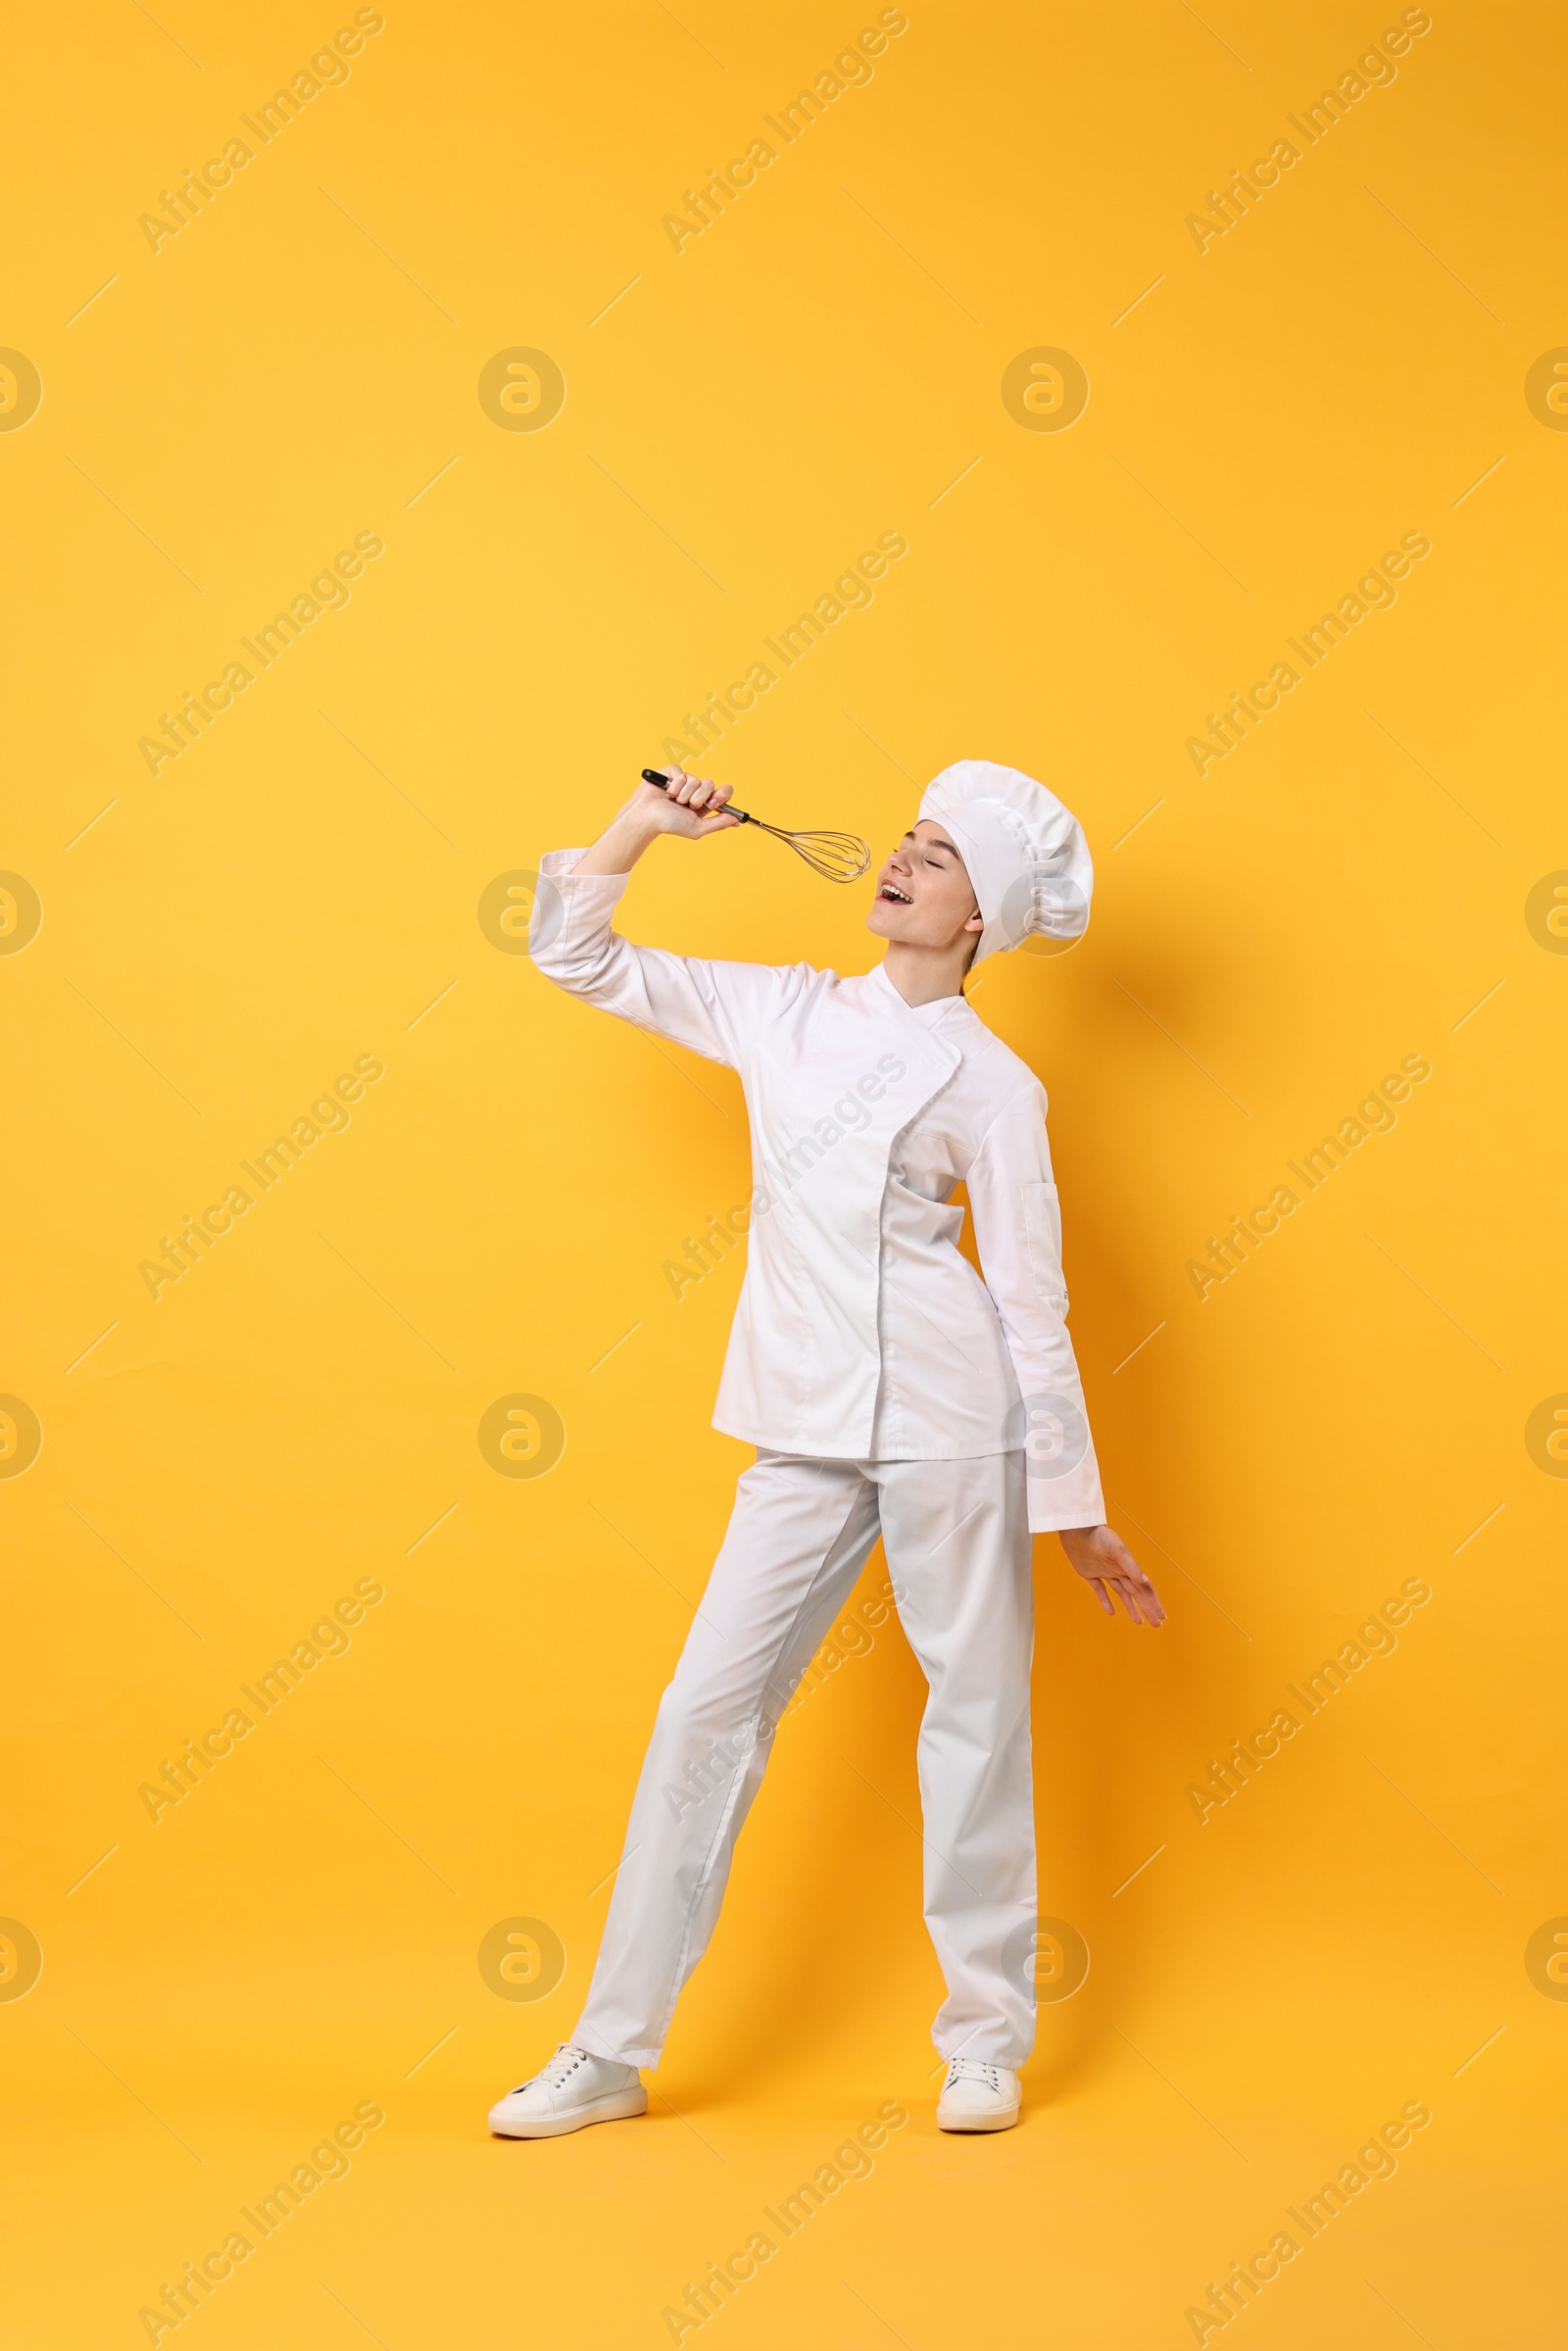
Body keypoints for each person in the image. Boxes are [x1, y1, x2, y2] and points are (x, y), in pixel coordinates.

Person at [489, 758, 1164, 2142]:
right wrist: (642, 829)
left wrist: (1073, 1502)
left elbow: (1033, 1302)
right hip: (799, 1429)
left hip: (952, 1423)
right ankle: (610, 2051)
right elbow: (571, 948)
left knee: (974, 1723)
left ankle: (985, 2043)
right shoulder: (782, 1010)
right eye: (905, 840)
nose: (903, 859)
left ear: (985, 917)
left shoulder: (999, 1084)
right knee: (702, 1716)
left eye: (939, 853)